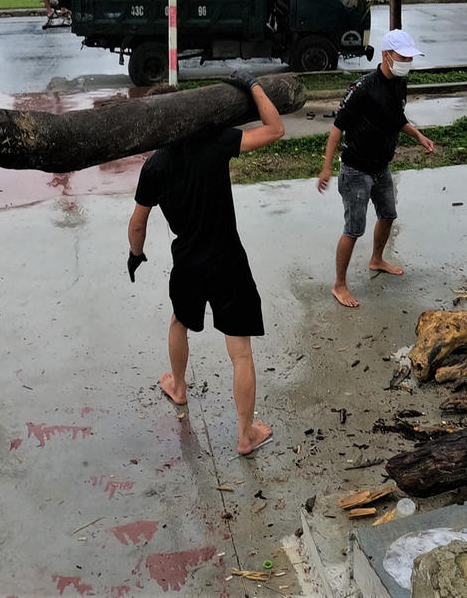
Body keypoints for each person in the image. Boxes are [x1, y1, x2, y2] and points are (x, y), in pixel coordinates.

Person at [127, 70, 284, 457]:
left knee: (180, 321)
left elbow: (137, 223)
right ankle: (246, 435)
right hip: (227, 258)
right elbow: (275, 129)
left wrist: (135, 254)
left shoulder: (155, 166)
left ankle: (178, 388)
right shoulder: (215, 142)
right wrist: (253, 85)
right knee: (241, 353)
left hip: (188, 261)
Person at [317, 29, 436, 308]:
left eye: (410, 57)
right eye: (403, 56)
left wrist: (418, 135)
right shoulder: (363, 89)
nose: (407, 61)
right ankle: (340, 285)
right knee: (353, 229)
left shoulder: (399, 83)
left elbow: (397, 119)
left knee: (388, 214)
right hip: (356, 169)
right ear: (386, 55)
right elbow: (336, 131)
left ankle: (377, 259)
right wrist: (326, 169)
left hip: (382, 167)